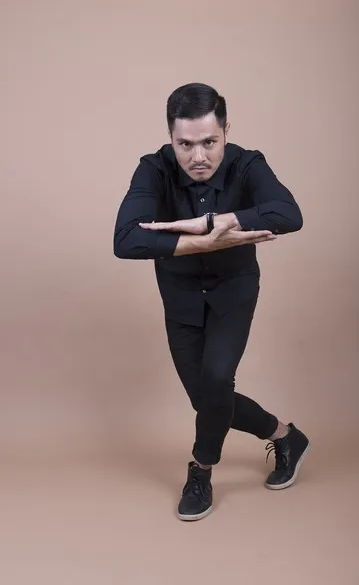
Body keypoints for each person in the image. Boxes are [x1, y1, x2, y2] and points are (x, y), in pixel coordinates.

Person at [113, 82, 310, 521]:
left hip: (233, 291)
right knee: (206, 399)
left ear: (225, 131)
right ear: (170, 137)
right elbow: (124, 240)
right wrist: (205, 241)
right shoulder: (153, 169)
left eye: (209, 142)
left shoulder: (247, 164)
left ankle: (200, 471)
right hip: (180, 296)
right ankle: (285, 436)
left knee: (218, 380)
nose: (197, 156)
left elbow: (288, 213)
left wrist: (215, 220)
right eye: (184, 144)